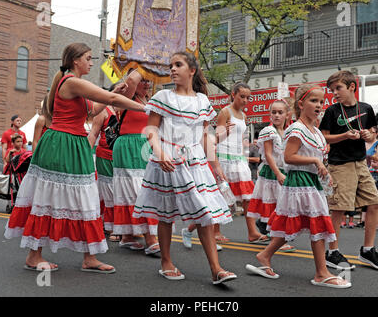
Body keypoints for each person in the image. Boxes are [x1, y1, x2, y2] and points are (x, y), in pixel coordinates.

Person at [4, 42, 146, 273]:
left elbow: (92, 111)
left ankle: (89, 257)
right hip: (63, 144)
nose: (91, 62)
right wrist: (146, 109)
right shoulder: (71, 81)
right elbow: (110, 102)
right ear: (75, 60)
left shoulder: (73, 83)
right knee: (51, 199)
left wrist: (114, 92)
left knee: (85, 200)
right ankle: (34, 256)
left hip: (72, 144)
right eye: (88, 58)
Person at [133, 51, 236, 284]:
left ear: (192, 70)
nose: (172, 69)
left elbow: (203, 137)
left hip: (195, 163)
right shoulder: (163, 97)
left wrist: (214, 164)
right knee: (166, 213)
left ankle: (216, 269)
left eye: (178, 65)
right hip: (167, 161)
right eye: (170, 65)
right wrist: (160, 154)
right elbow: (151, 130)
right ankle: (166, 261)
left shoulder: (202, 101)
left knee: (205, 213)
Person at [246, 84, 350, 288]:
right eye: (314, 101)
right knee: (317, 224)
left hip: (310, 182)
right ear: (301, 104)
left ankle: (264, 255)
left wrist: (322, 169)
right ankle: (321, 272)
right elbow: (288, 158)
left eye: (321, 101)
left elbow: (314, 157)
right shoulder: (297, 129)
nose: (319, 105)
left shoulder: (316, 132)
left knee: (293, 225)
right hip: (298, 182)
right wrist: (315, 162)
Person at [319, 70, 378, 271]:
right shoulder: (332, 111)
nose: (335, 93)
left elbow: (373, 135)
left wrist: (368, 135)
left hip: (360, 163)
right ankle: (332, 252)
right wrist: (344, 136)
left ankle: (368, 250)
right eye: (332, 90)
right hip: (340, 164)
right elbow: (324, 137)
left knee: (375, 203)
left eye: (338, 88)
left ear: (351, 87)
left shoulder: (366, 108)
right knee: (339, 208)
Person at [110, 70, 160, 255]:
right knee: (136, 190)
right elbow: (131, 78)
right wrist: (145, 60)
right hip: (129, 145)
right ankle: (150, 237)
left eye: (149, 81)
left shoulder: (151, 101)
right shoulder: (127, 96)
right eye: (143, 80)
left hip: (146, 147)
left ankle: (127, 236)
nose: (146, 84)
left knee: (143, 189)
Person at [216, 82, 268, 244]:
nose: (245, 100)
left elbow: (241, 139)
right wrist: (226, 131)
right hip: (224, 157)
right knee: (221, 195)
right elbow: (215, 138)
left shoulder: (244, 116)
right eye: (242, 96)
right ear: (233, 94)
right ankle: (215, 231)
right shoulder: (225, 112)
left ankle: (252, 232)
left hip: (239, 158)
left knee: (247, 197)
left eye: (248, 97)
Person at [247, 99, 296, 253]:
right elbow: (267, 155)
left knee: (282, 207)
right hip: (272, 173)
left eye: (280, 112)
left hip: (284, 171)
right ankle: (276, 239)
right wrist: (278, 173)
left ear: (287, 114)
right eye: (273, 112)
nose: (276, 115)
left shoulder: (288, 132)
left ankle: (274, 235)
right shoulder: (268, 131)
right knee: (276, 207)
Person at [87, 82, 126, 243]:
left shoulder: (127, 110)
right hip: (105, 156)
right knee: (110, 192)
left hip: (124, 157)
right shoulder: (103, 111)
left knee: (123, 191)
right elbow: (93, 134)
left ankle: (125, 226)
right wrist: (85, 155)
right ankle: (112, 226)